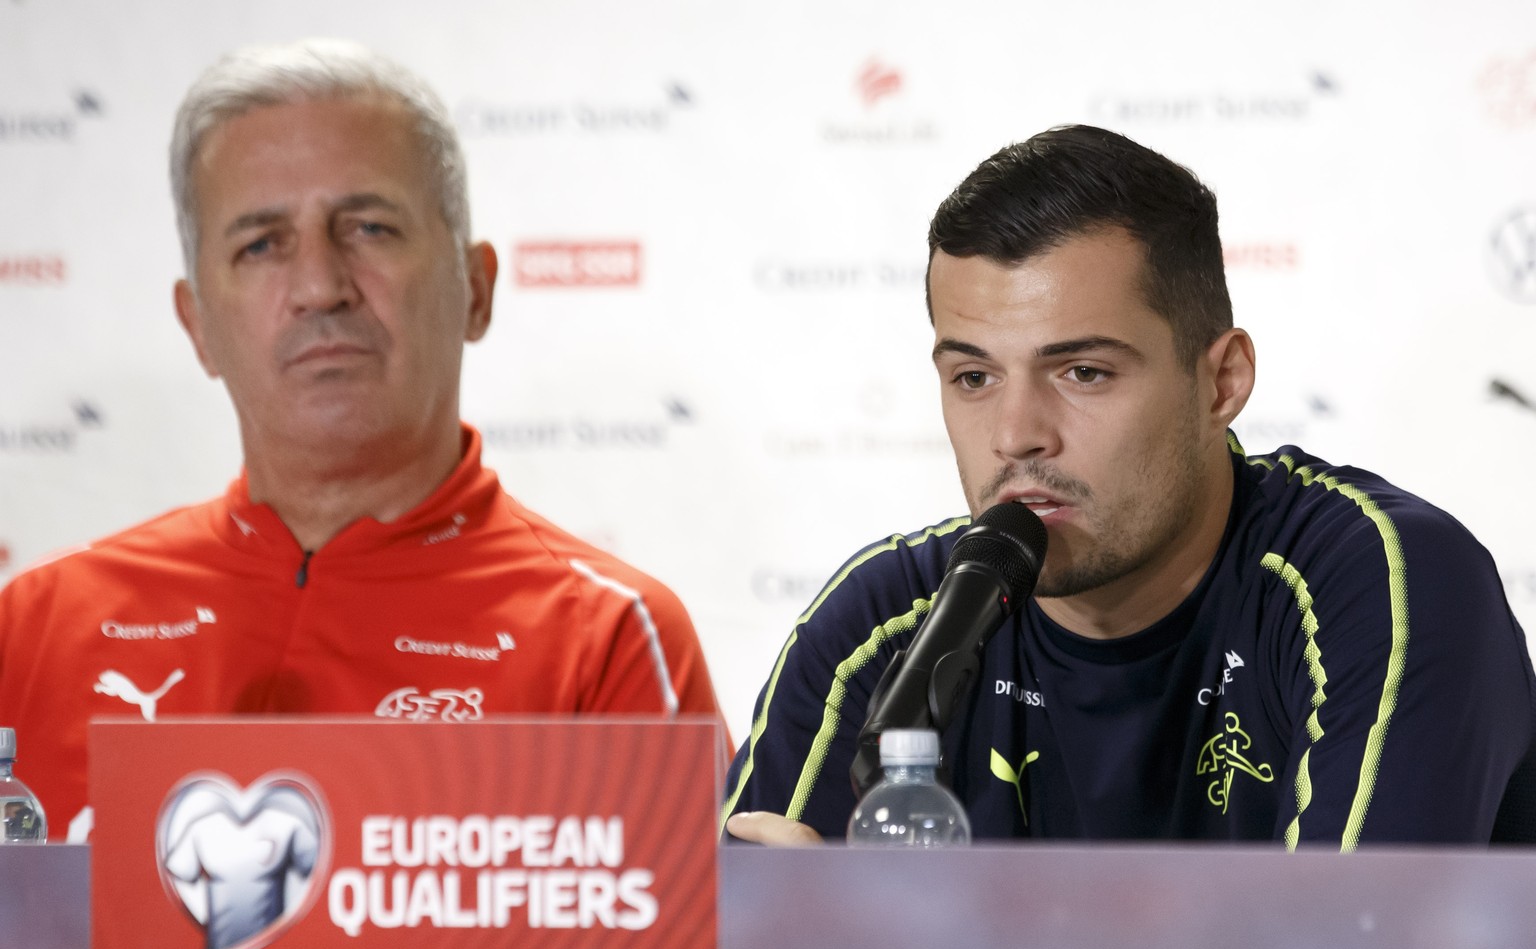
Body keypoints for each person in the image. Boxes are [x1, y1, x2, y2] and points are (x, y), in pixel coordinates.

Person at [722, 124, 1536, 849]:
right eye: (973, 377)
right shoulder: (883, 625)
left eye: (1082, 371)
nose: (1015, 434)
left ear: (1221, 382)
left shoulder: (1378, 586)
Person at [0, 39, 726, 842]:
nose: (320, 287)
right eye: (262, 244)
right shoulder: (35, 629)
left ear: (476, 290)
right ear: (197, 324)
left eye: (370, 228)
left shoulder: (606, 639)